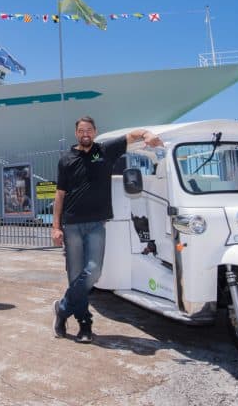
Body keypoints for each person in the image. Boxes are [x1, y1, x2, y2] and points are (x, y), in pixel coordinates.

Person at [51, 116, 163, 343]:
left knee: (93, 272)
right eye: (81, 130)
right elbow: (59, 195)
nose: (85, 133)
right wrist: (55, 227)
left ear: (95, 131)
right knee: (75, 278)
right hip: (71, 224)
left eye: (89, 130)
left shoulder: (106, 150)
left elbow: (132, 135)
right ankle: (85, 324)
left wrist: (146, 134)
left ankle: (62, 309)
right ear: (76, 133)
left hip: (96, 224)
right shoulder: (66, 160)